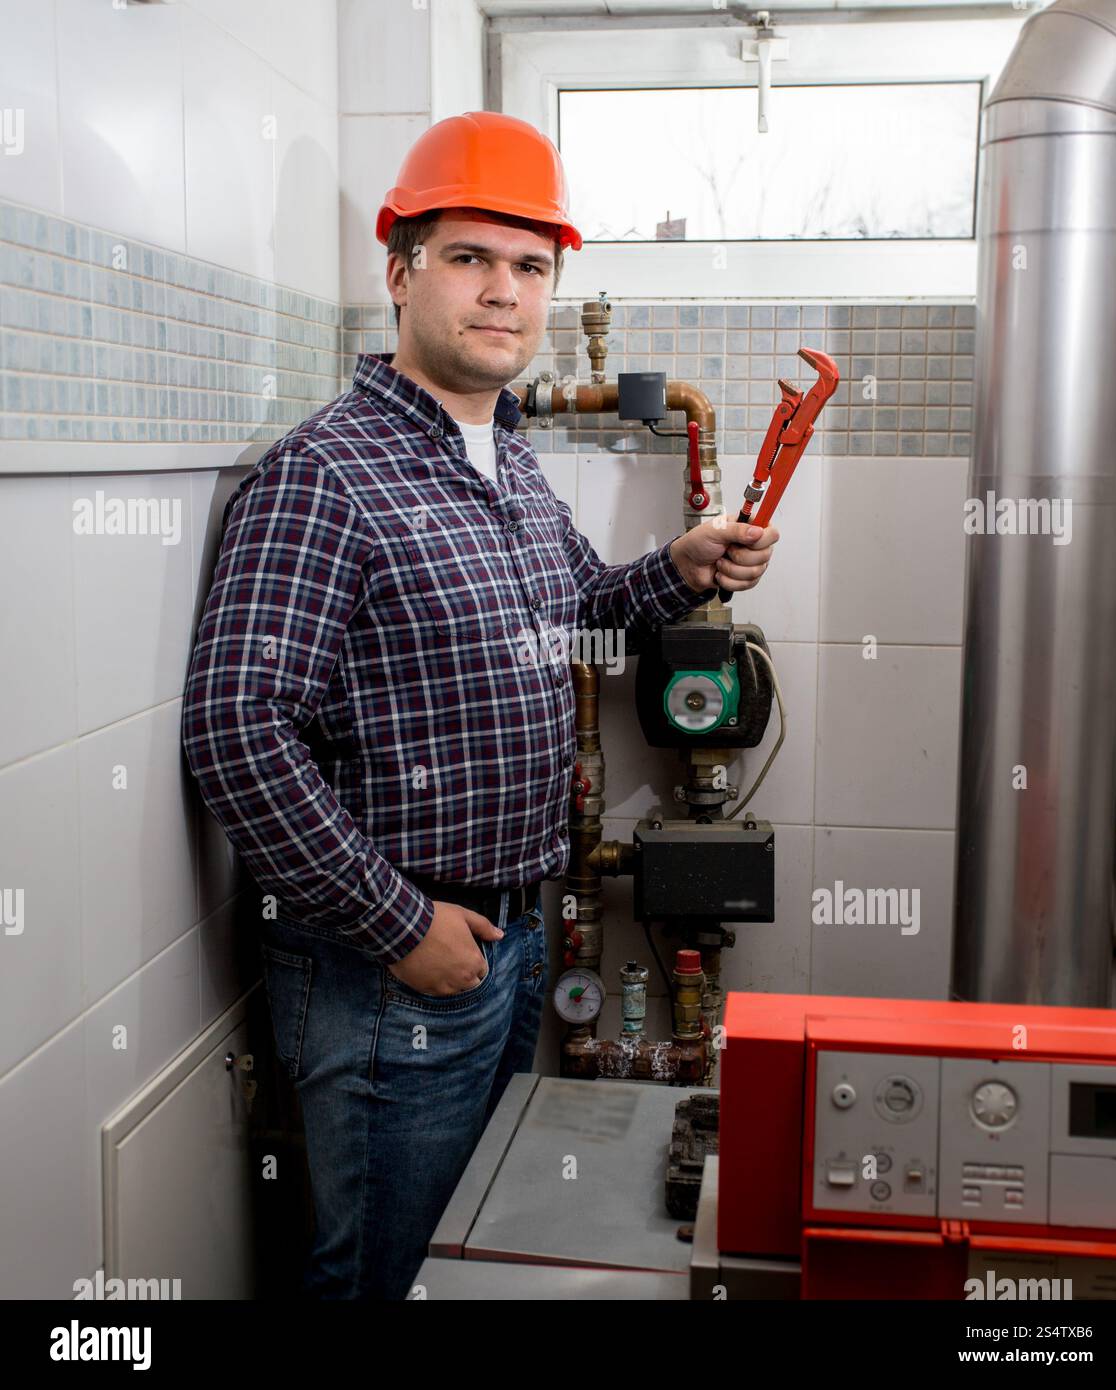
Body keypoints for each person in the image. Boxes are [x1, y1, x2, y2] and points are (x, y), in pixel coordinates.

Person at [181, 110, 779, 1300]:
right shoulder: (328, 475)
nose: (502, 290)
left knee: (455, 1261)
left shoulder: (499, 457)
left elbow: (571, 608)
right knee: (385, 1277)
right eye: (468, 257)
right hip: (386, 962)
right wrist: (403, 926)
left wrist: (681, 568)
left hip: (497, 942)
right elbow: (237, 730)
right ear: (399, 270)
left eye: (530, 266)